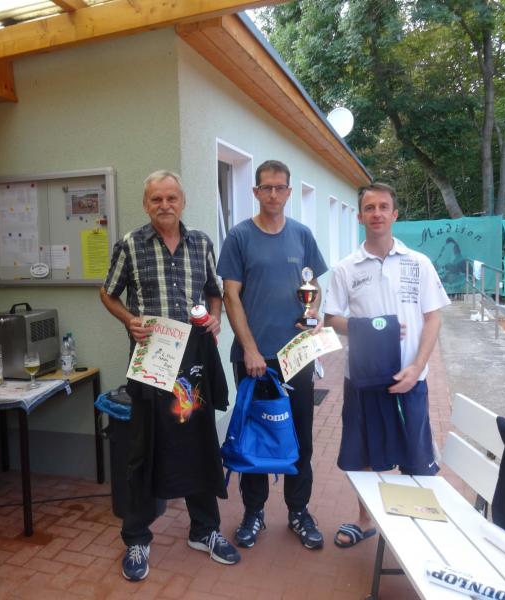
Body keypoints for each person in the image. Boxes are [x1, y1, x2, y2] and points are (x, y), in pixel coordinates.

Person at [100, 170, 240, 582]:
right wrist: (128, 320)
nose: (165, 205)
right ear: (146, 204)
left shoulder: (202, 243)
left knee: (199, 442)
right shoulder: (130, 244)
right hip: (152, 361)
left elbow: (214, 290)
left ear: (183, 201)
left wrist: (215, 317)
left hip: (193, 361)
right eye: (156, 199)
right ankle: (137, 538)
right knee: (144, 448)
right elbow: (108, 292)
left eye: (171, 198)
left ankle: (204, 530)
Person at [323, 182, 450, 547]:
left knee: (416, 456)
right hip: (362, 378)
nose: (376, 213)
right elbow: (331, 318)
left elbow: (433, 317)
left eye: (383, 207)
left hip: (409, 377)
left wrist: (417, 367)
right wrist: (375, 327)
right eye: (369, 208)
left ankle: (417, 529)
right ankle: (365, 520)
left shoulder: (418, 263)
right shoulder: (346, 268)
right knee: (363, 454)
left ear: (394, 214)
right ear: (360, 216)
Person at [217, 159, 327, 550]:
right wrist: (250, 349)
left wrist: (313, 314)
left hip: (297, 356)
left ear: (289, 191)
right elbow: (230, 296)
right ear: (256, 191)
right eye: (267, 187)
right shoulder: (240, 236)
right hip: (253, 360)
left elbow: (313, 289)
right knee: (256, 437)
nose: (274, 194)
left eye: (280, 187)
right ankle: (254, 512)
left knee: (300, 436)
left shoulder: (302, 235)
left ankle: (298, 510)